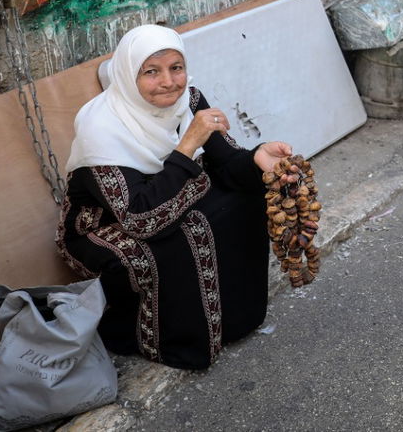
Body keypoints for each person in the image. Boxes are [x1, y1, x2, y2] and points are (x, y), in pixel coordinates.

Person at [57, 24, 294, 368]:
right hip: (104, 227)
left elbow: (227, 161)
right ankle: (173, 340)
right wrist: (186, 146)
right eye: (151, 72)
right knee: (183, 238)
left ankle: (232, 320)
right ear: (127, 76)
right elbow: (138, 218)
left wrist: (259, 158)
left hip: (168, 196)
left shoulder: (190, 101)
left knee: (243, 199)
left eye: (176, 68)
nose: (169, 82)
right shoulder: (102, 127)